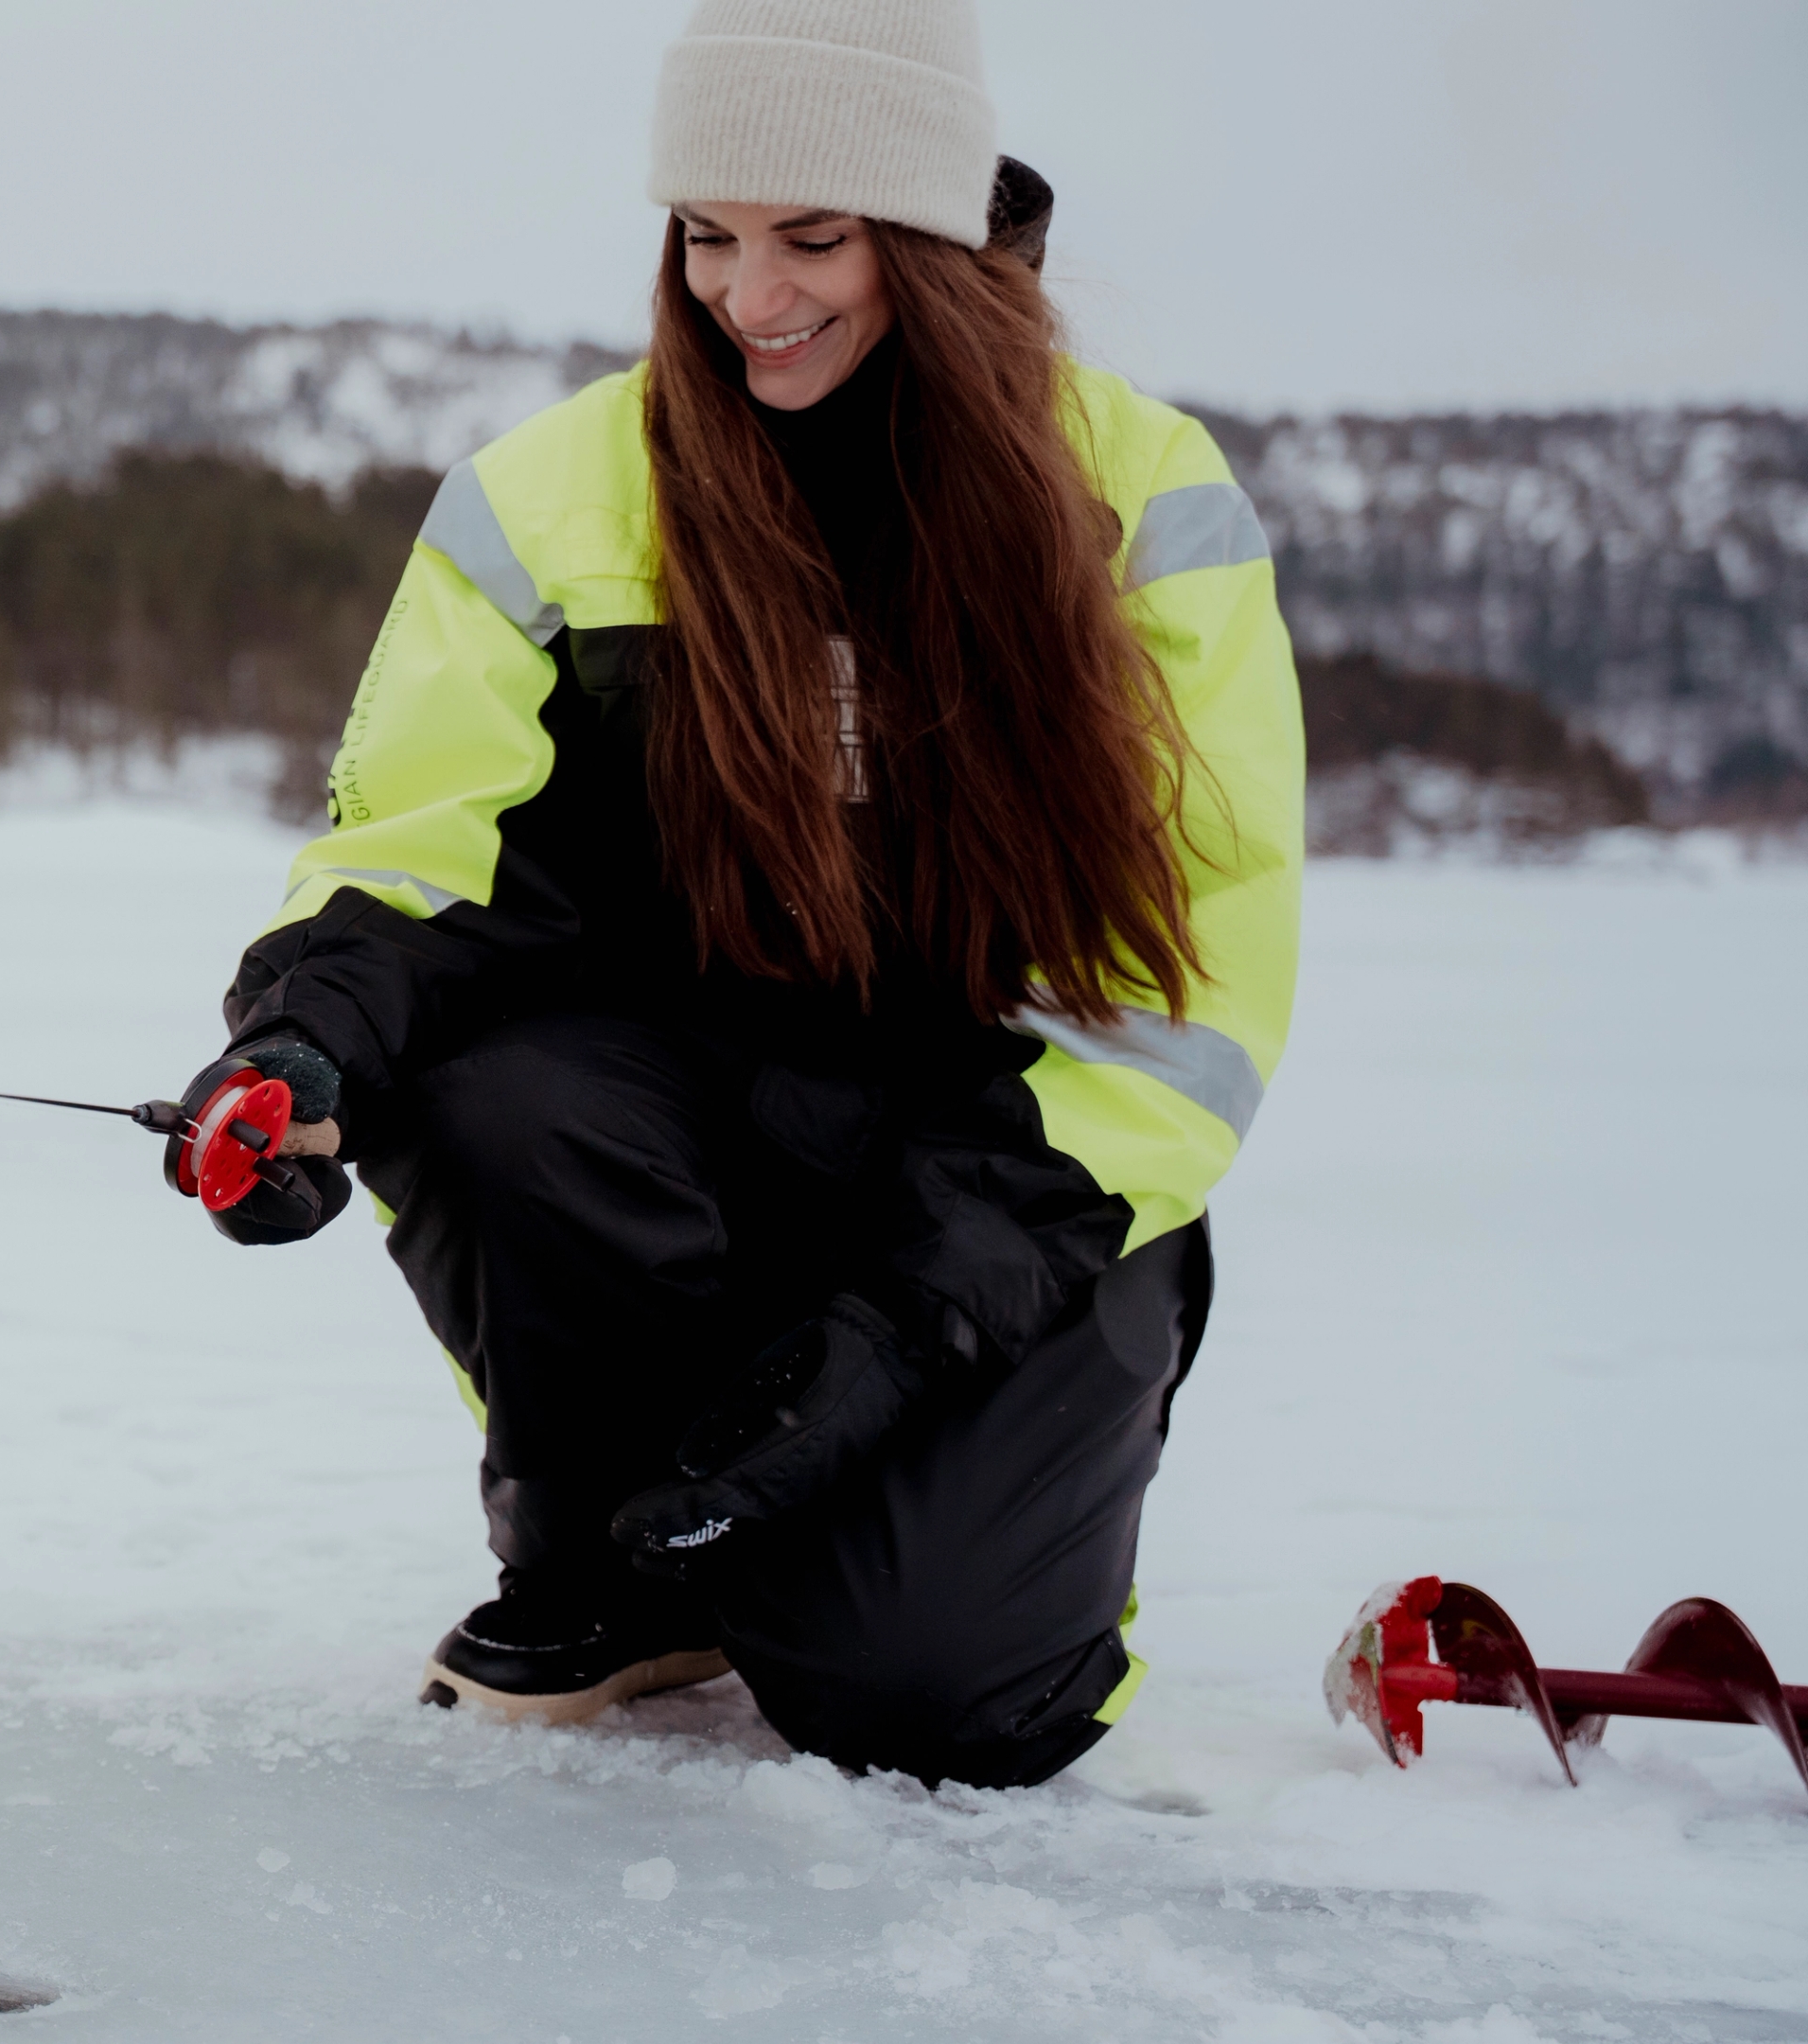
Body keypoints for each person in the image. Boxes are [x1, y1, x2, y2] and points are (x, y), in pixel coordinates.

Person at [179, 0, 1299, 1788]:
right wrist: (305, 1047)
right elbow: (426, 853)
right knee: (486, 1095)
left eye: (813, 237)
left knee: (931, 1705)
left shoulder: (1145, 502)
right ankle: (618, 1569)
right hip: (691, 1138)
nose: (746, 294)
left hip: (1011, 1201)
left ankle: (882, 1553)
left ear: (927, 233)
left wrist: (901, 1323)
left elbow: (1177, 1000)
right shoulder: (549, 498)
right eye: (706, 234)